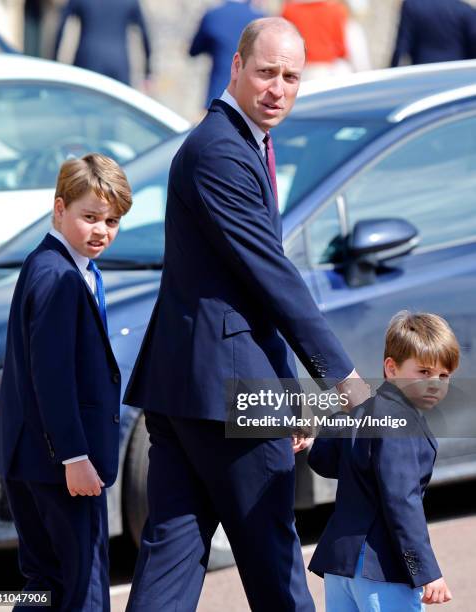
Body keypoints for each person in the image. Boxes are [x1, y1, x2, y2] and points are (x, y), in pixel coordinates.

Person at [123, 16, 369, 612]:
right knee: (274, 561)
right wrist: (342, 379)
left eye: (291, 76)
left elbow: (244, 291)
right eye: (265, 72)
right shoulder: (220, 152)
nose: (277, 87)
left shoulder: (239, 143)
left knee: (171, 566)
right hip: (226, 393)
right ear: (235, 68)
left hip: (193, 389)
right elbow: (271, 275)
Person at [0, 154, 132, 611]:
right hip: (60, 464)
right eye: (89, 217)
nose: (101, 230)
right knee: (83, 583)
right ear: (59, 209)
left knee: (43, 580)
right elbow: (52, 376)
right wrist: (75, 456)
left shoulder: (47, 264)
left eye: (111, 221)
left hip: (27, 456)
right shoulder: (59, 277)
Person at [308, 311, 459, 611]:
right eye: (424, 372)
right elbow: (401, 501)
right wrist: (427, 573)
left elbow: (323, 460)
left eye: (444, 376)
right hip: (381, 568)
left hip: (342, 568)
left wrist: (315, 438)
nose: (435, 384)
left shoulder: (363, 412)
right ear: (391, 368)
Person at [53, 0, 152, 86]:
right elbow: (144, 32)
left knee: (82, 103)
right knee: (118, 105)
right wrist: (148, 71)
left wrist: (54, 62)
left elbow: (62, 26)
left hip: (87, 59)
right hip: (119, 64)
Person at [189, 0, 265, 108]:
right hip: (251, 100)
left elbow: (194, 50)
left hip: (218, 95)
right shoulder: (260, 20)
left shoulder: (213, 15)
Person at [391, 0, 476, 67]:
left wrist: (393, 72)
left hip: (423, 71)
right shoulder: (465, 10)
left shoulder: (412, 5)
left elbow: (402, 47)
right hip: (457, 73)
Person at [281, 0, 352, 79]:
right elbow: (343, 46)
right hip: (329, 67)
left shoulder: (288, 10)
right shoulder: (335, 8)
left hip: (302, 69)